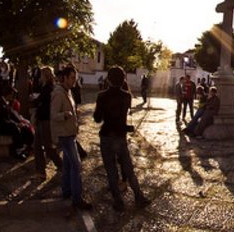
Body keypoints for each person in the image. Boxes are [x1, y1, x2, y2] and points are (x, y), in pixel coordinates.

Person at [93, 67, 151, 212]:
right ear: (123, 79)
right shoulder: (127, 96)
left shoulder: (102, 96)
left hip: (106, 135)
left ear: (108, 79)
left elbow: (97, 119)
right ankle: (139, 197)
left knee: (111, 170)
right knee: (128, 168)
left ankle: (118, 201)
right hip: (120, 135)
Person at [51, 65, 91, 210]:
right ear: (65, 78)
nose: (74, 81)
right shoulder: (59, 93)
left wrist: (74, 113)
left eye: (75, 78)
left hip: (70, 133)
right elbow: (54, 115)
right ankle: (77, 198)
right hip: (65, 135)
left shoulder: (68, 92)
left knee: (68, 165)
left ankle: (66, 191)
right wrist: (66, 115)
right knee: (76, 165)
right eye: (72, 78)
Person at [32, 67, 62, 178]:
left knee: (47, 147)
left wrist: (36, 102)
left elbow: (42, 103)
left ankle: (61, 165)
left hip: (45, 120)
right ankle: (41, 171)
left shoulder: (48, 88)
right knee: (38, 146)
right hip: (43, 119)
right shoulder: (48, 87)